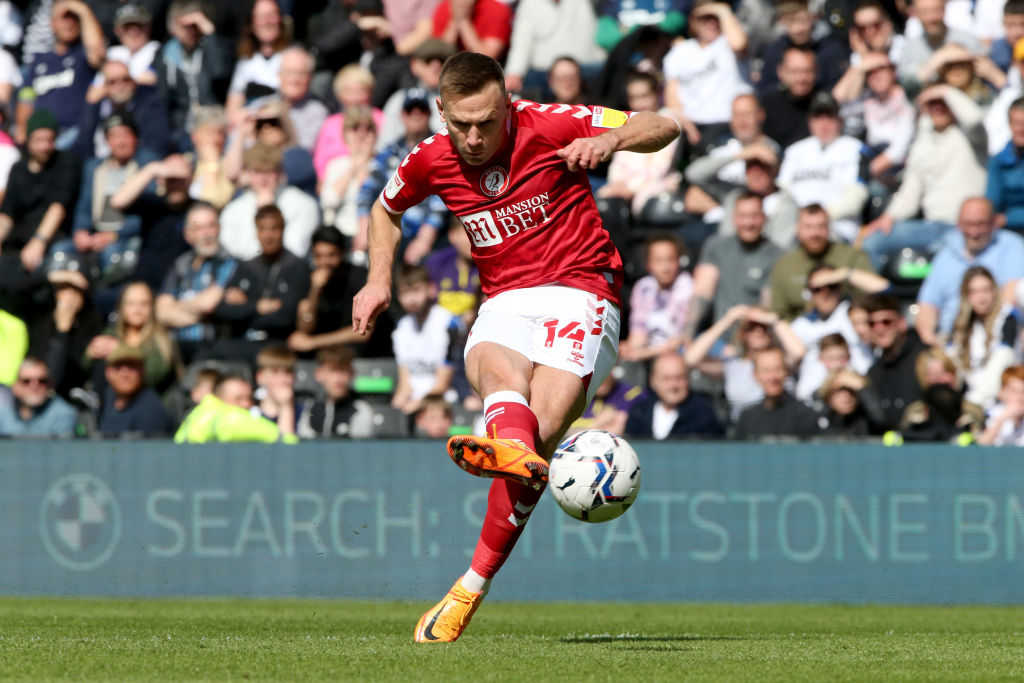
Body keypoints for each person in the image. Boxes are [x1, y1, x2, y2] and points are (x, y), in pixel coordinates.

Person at [350, 51, 679, 642]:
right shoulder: (429, 157)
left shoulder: (549, 122)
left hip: (581, 289)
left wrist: (612, 142)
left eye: (487, 120)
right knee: (493, 370)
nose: (474, 138)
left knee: (543, 424)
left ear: (506, 101)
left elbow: (664, 124)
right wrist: (378, 280)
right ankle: (517, 454)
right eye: (460, 124)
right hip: (505, 296)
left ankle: (471, 583)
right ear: (441, 112)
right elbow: (385, 209)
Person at [860, 85, 988, 271]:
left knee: (948, 256)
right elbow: (910, 193)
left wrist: (946, 91)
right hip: (929, 227)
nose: (938, 108)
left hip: (965, 229)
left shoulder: (972, 138)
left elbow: (975, 119)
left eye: (943, 103)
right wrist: (888, 217)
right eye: (932, 104)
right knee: (872, 242)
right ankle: (880, 299)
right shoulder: (921, 144)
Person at [916, 197, 1024, 345]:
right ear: (958, 223)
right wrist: (932, 342)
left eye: (980, 224)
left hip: (995, 337)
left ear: (994, 222)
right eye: (968, 224)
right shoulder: (945, 254)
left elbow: (1012, 298)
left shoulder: (1013, 247)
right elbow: (927, 304)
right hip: (950, 341)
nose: (974, 232)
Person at [212, 204, 311, 362]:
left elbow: (285, 317)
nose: (268, 236)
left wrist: (244, 307)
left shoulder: (297, 267)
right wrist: (259, 306)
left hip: (277, 344)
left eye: (274, 229)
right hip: (242, 340)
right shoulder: (247, 267)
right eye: (262, 229)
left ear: (283, 230)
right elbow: (223, 310)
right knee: (206, 354)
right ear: (256, 231)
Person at [0, 110, 81, 297]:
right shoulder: (19, 169)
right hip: (18, 243)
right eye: (39, 139)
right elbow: (7, 214)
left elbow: (58, 207)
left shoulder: (66, 163)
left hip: (51, 241)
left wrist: (39, 241)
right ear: (28, 140)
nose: (45, 146)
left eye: (49, 139)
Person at [684, 192, 784, 341]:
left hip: (755, 339)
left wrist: (742, 345)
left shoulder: (776, 254)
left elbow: (766, 306)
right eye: (743, 216)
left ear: (764, 218)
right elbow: (702, 294)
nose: (748, 223)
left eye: (754, 216)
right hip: (719, 337)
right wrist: (687, 335)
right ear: (734, 218)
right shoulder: (716, 246)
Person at [685, 304, 807, 421]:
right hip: (744, 432)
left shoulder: (781, 361)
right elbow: (691, 359)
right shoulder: (732, 365)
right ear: (743, 334)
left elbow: (799, 352)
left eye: (764, 327)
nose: (758, 331)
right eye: (751, 327)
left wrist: (773, 319)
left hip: (781, 426)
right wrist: (727, 320)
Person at [776, 92, 868, 243]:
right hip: (794, 227)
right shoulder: (794, 151)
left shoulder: (854, 149)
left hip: (836, 227)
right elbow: (782, 193)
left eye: (829, 117)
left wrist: (816, 221)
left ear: (840, 120)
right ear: (810, 121)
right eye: (818, 117)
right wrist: (801, 223)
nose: (824, 124)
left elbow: (855, 199)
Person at [287, 225, 391, 357]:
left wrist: (314, 342)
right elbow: (305, 327)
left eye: (331, 255)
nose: (325, 262)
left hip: (356, 352)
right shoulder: (308, 278)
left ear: (342, 253)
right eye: (319, 256)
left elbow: (363, 332)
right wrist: (315, 291)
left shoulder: (360, 277)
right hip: (323, 353)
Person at [768, 204, 884, 321]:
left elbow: (880, 291)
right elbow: (779, 314)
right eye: (808, 227)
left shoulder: (851, 256)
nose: (815, 233)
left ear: (829, 227)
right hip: (800, 332)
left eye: (821, 226)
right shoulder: (784, 264)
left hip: (846, 327)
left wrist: (842, 274)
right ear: (797, 229)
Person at [15, 0, 106, 147]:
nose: (69, 23)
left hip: (74, 134)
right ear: (52, 23)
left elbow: (97, 52)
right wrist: (22, 129)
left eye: (74, 17)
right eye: (64, 18)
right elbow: (26, 98)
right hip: (41, 139)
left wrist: (81, 9)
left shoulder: (82, 55)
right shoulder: (39, 61)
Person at [663, 0, 750, 147]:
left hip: (730, 125)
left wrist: (722, 9)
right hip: (694, 128)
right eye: (705, 18)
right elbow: (672, 95)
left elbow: (739, 43)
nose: (712, 23)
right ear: (692, 21)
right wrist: (686, 125)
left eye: (715, 17)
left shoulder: (727, 44)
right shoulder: (680, 51)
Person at [218, 144, 321, 261]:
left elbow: (296, 248)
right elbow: (231, 244)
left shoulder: (304, 204)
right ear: (247, 173)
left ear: (280, 172)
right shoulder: (234, 209)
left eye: (269, 172)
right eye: (257, 172)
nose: (263, 179)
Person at [790, 266, 877, 400]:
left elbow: (885, 292)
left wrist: (845, 273)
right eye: (817, 289)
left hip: (860, 392)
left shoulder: (851, 312)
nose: (825, 292)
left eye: (831, 286)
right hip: (815, 399)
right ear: (808, 292)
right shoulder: (800, 325)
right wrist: (775, 320)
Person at [85, 281, 180, 395]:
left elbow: (153, 376)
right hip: (110, 398)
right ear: (121, 307)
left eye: (144, 304)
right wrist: (91, 353)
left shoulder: (161, 339)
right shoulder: (112, 333)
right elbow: (85, 366)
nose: (137, 310)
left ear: (152, 308)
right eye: (131, 303)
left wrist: (121, 351)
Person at [390, 264, 459, 414]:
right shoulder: (401, 328)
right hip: (411, 404)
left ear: (431, 289)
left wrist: (414, 405)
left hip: (443, 403)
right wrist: (395, 409)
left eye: (416, 290)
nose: (411, 299)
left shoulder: (449, 323)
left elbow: (442, 384)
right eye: (404, 293)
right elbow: (404, 384)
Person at [947, 266, 1020, 409]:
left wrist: (976, 399)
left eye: (986, 290)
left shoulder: (1007, 317)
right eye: (974, 292)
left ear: (994, 291)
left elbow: (1003, 359)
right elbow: (951, 359)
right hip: (969, 399)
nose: (981, 298)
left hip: (1001, 401)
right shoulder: (961, 324)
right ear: (966, 295)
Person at [502, 0, 605, 98]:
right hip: (544, 71)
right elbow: (521, 42)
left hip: (587, 66)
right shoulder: (529, 4)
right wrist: (514, 73)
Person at [620, 233, 693, 362]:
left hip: (677, 355)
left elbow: (681, 338)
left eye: (670, 260)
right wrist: (631, 348)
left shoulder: (687, 286)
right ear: (648, 265)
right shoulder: (643, 287)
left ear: (679, 261)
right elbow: (638, 328)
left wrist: (643, 353)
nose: (665, 267)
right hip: (648, 351)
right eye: (659, 261)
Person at [175, 371, 300, 443]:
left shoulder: (197, 413)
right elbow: (287, 443)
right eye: (238, 398)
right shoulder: (232, 418)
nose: (246, 404)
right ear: (219, 397)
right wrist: (286, 406)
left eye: (249, 398)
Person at [864, 294, 928, 430]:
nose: (879, 329)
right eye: (872, 324)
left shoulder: (925, 357)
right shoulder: (874, 371)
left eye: (886, 322)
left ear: (902, 323)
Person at [624, 351, 723, 439]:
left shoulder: (704, 414)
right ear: (653, 381)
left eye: (679, 378)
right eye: (666, 379)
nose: (673, 385)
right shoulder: (639, 412)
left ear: (688, 379)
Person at [225, 0, 292, 127]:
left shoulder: (292, 56)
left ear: (280, 19)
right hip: (252, 125)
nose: (267, 22)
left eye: (272, 15)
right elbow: (233, 106)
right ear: (252, 23)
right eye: (261, 17)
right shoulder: (246, 62)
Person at [734, 346, 823, 439]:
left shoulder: (804, 414)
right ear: (755, 375)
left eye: (777, 369)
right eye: (765, 370)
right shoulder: (747, 418)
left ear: (786, 371)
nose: (772, 377)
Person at [898, 347, 985, 442]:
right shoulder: (914, 415)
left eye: (948, 371)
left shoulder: (973, 412)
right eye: (936, 375)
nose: (944, 379)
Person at [296, 345, 374, 439]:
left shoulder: (360, 410)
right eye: (332, 371)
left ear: (352, 374)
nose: (338, 379)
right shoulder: (311, 408)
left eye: (343, 371)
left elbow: (358, 451)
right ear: (319, 374)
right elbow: (304, 448)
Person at [97, 343, 173, 435]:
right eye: (118, 367)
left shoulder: (151, 410)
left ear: (142, 370)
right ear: (107, 372)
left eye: (131, 367)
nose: (124, 374)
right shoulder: (106, 397)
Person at [760, 46, 820, 149]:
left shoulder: (825, 104)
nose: (801, 78)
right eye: (794, 72)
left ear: (817, 72)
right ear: (780, 71)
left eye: (807, 71)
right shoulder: (766, 106)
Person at [0, 357, 77, 437]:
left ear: (50, 384)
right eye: (27, 381)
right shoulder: (3, 414)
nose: (34, 386)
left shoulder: (63, 414)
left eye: (41, 381)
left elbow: (64, 448)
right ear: (16, 387)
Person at [276, 46, 328, 154]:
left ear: (310, 78)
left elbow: (303, 153)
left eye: (301, 73)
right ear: (278, 74)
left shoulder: (317, 112)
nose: (294, 79)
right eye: (289, 72)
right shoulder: (261, 106)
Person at [568, 369, 647, 435]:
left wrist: (577, 431)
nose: (600, 377)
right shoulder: (574, 394)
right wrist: (596, 424)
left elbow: (617, 431)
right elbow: (560, 430)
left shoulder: (629, 394)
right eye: (595, 371)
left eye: (604, 370)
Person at [986, 96, 1024, 233]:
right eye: (1017, 123)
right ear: (1010, 124)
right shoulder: (999, 161)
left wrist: (1008, 218)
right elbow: (992, 200)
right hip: (1006, 231)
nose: (1021, 129)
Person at [431, 0, 512, 60]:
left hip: (486, 73)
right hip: (452, 71)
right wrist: (455, 20)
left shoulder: (496, 10)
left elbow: (486, 59)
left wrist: (464, 21)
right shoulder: (443, 8)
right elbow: (439, 56)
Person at [251, 344, 299, 437]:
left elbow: (286, 447)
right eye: (274, 371)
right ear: (259, 376)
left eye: (288, 372)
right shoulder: (247, 410)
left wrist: (286, 406)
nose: (283, 379)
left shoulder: (305, 413)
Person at [978, 365, 1024, 445]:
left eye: (1022, 392)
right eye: (1013, 391)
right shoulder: (993, 414)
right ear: (1001, 392)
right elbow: (981, 446)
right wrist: (1001, 419)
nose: (1019, 397)